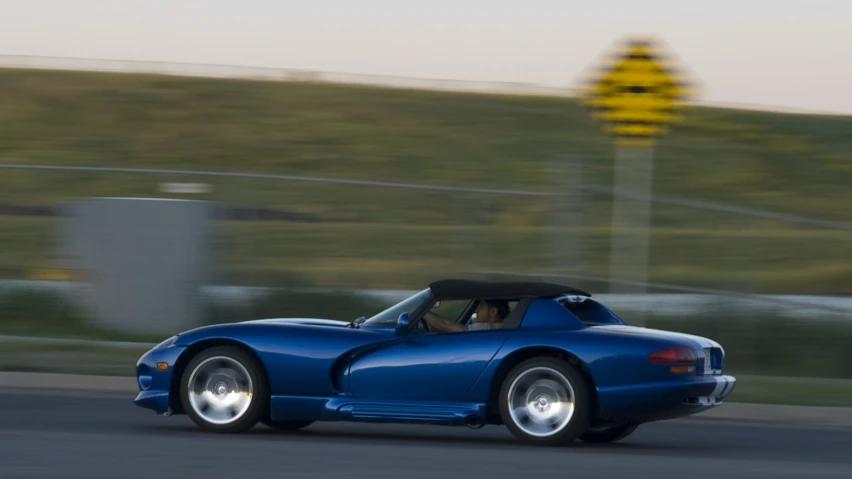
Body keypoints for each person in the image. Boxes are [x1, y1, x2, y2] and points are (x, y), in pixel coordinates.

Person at [423, 299, 510, 332]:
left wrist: (424, 313)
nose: (476, 310)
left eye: (481, 308)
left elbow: (448, 325)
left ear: (493, 311)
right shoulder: (504, 328)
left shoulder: (485, 328)